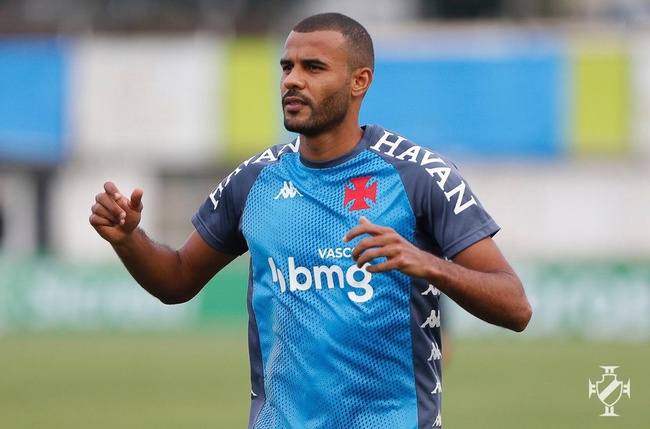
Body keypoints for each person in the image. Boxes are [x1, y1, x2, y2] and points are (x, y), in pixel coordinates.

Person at [89, 12, 532, 429]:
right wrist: (128, 240)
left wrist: (426, 263)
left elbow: (516, 307)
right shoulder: (254, 182)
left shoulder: (419, 176)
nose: (292, 80)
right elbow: (178, 279)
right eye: (287, 67)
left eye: (313, 67)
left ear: (359, 81)